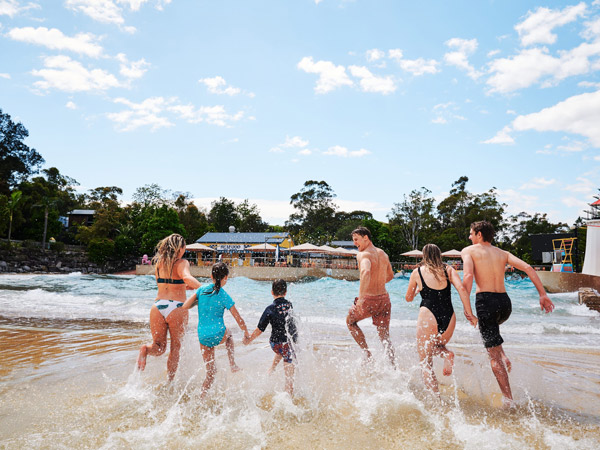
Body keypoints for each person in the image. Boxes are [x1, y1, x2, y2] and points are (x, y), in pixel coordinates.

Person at [461, 220, 554, 407]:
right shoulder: (503, 253)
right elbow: (528, 268)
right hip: (505, 304)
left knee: (491, 355)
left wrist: (466, 305)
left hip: (486, 302)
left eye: (471, 233)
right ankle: (503, 355)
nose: (469, 237)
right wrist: (543, 294)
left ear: (479, 234)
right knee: (494, 335)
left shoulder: (468, 251)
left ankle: (508, 400)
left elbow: (469, 276)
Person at [405, 244, 478, 396]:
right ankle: (446, 354)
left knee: (425, 360)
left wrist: (419, 290)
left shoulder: (417, 272)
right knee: (438, 345)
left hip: (428, 315)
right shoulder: (448, 270)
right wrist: (469, 312)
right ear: (439, 255)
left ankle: (435, 398)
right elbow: (462, 289)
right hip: (449, 316)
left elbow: (408, 298)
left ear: (424, 256)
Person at [137, 234, 201, 381]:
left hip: (158, 306)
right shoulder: (182, 262)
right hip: (176, 308)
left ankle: (145, 349)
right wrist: (205, 288)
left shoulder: (159, 263)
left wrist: (184, 287)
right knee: (175, 347)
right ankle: (170, 381)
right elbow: (185, 277)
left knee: (158, 347)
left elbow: (165, 284)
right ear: (180, 248)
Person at [182, 262, 250, 399]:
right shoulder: (224, 295)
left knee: (211, 372)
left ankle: (202, 397)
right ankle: (233, 364)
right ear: (226, 278)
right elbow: (238, 318)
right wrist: (246, 332)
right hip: (219, 334)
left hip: (203, 337)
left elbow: (185, 306)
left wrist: (199, 300)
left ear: (211, 276)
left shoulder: (202, 290)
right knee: (229, 335)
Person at [346, 226, 396, 366]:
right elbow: (391, 276)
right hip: (384, 299)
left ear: (365, 238)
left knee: (350, 322)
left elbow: (366, 272)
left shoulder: (363, 255)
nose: (355, 243)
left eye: (356, 240)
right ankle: (393, 365)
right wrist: (378, 282)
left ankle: (367, 354)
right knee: (384, 335)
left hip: (369, 299)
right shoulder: (383, 254)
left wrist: (361, 299)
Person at [244, 279, 298, 396]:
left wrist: (249, 340)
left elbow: (260, 329)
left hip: (274, 345)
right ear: (286, 292)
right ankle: (288, 395)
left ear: (271, 292)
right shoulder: (289, 305)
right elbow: (293, 325)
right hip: (287, 346)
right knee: (289, 378)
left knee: (282, 346)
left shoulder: (270, 309)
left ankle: (272, 368)